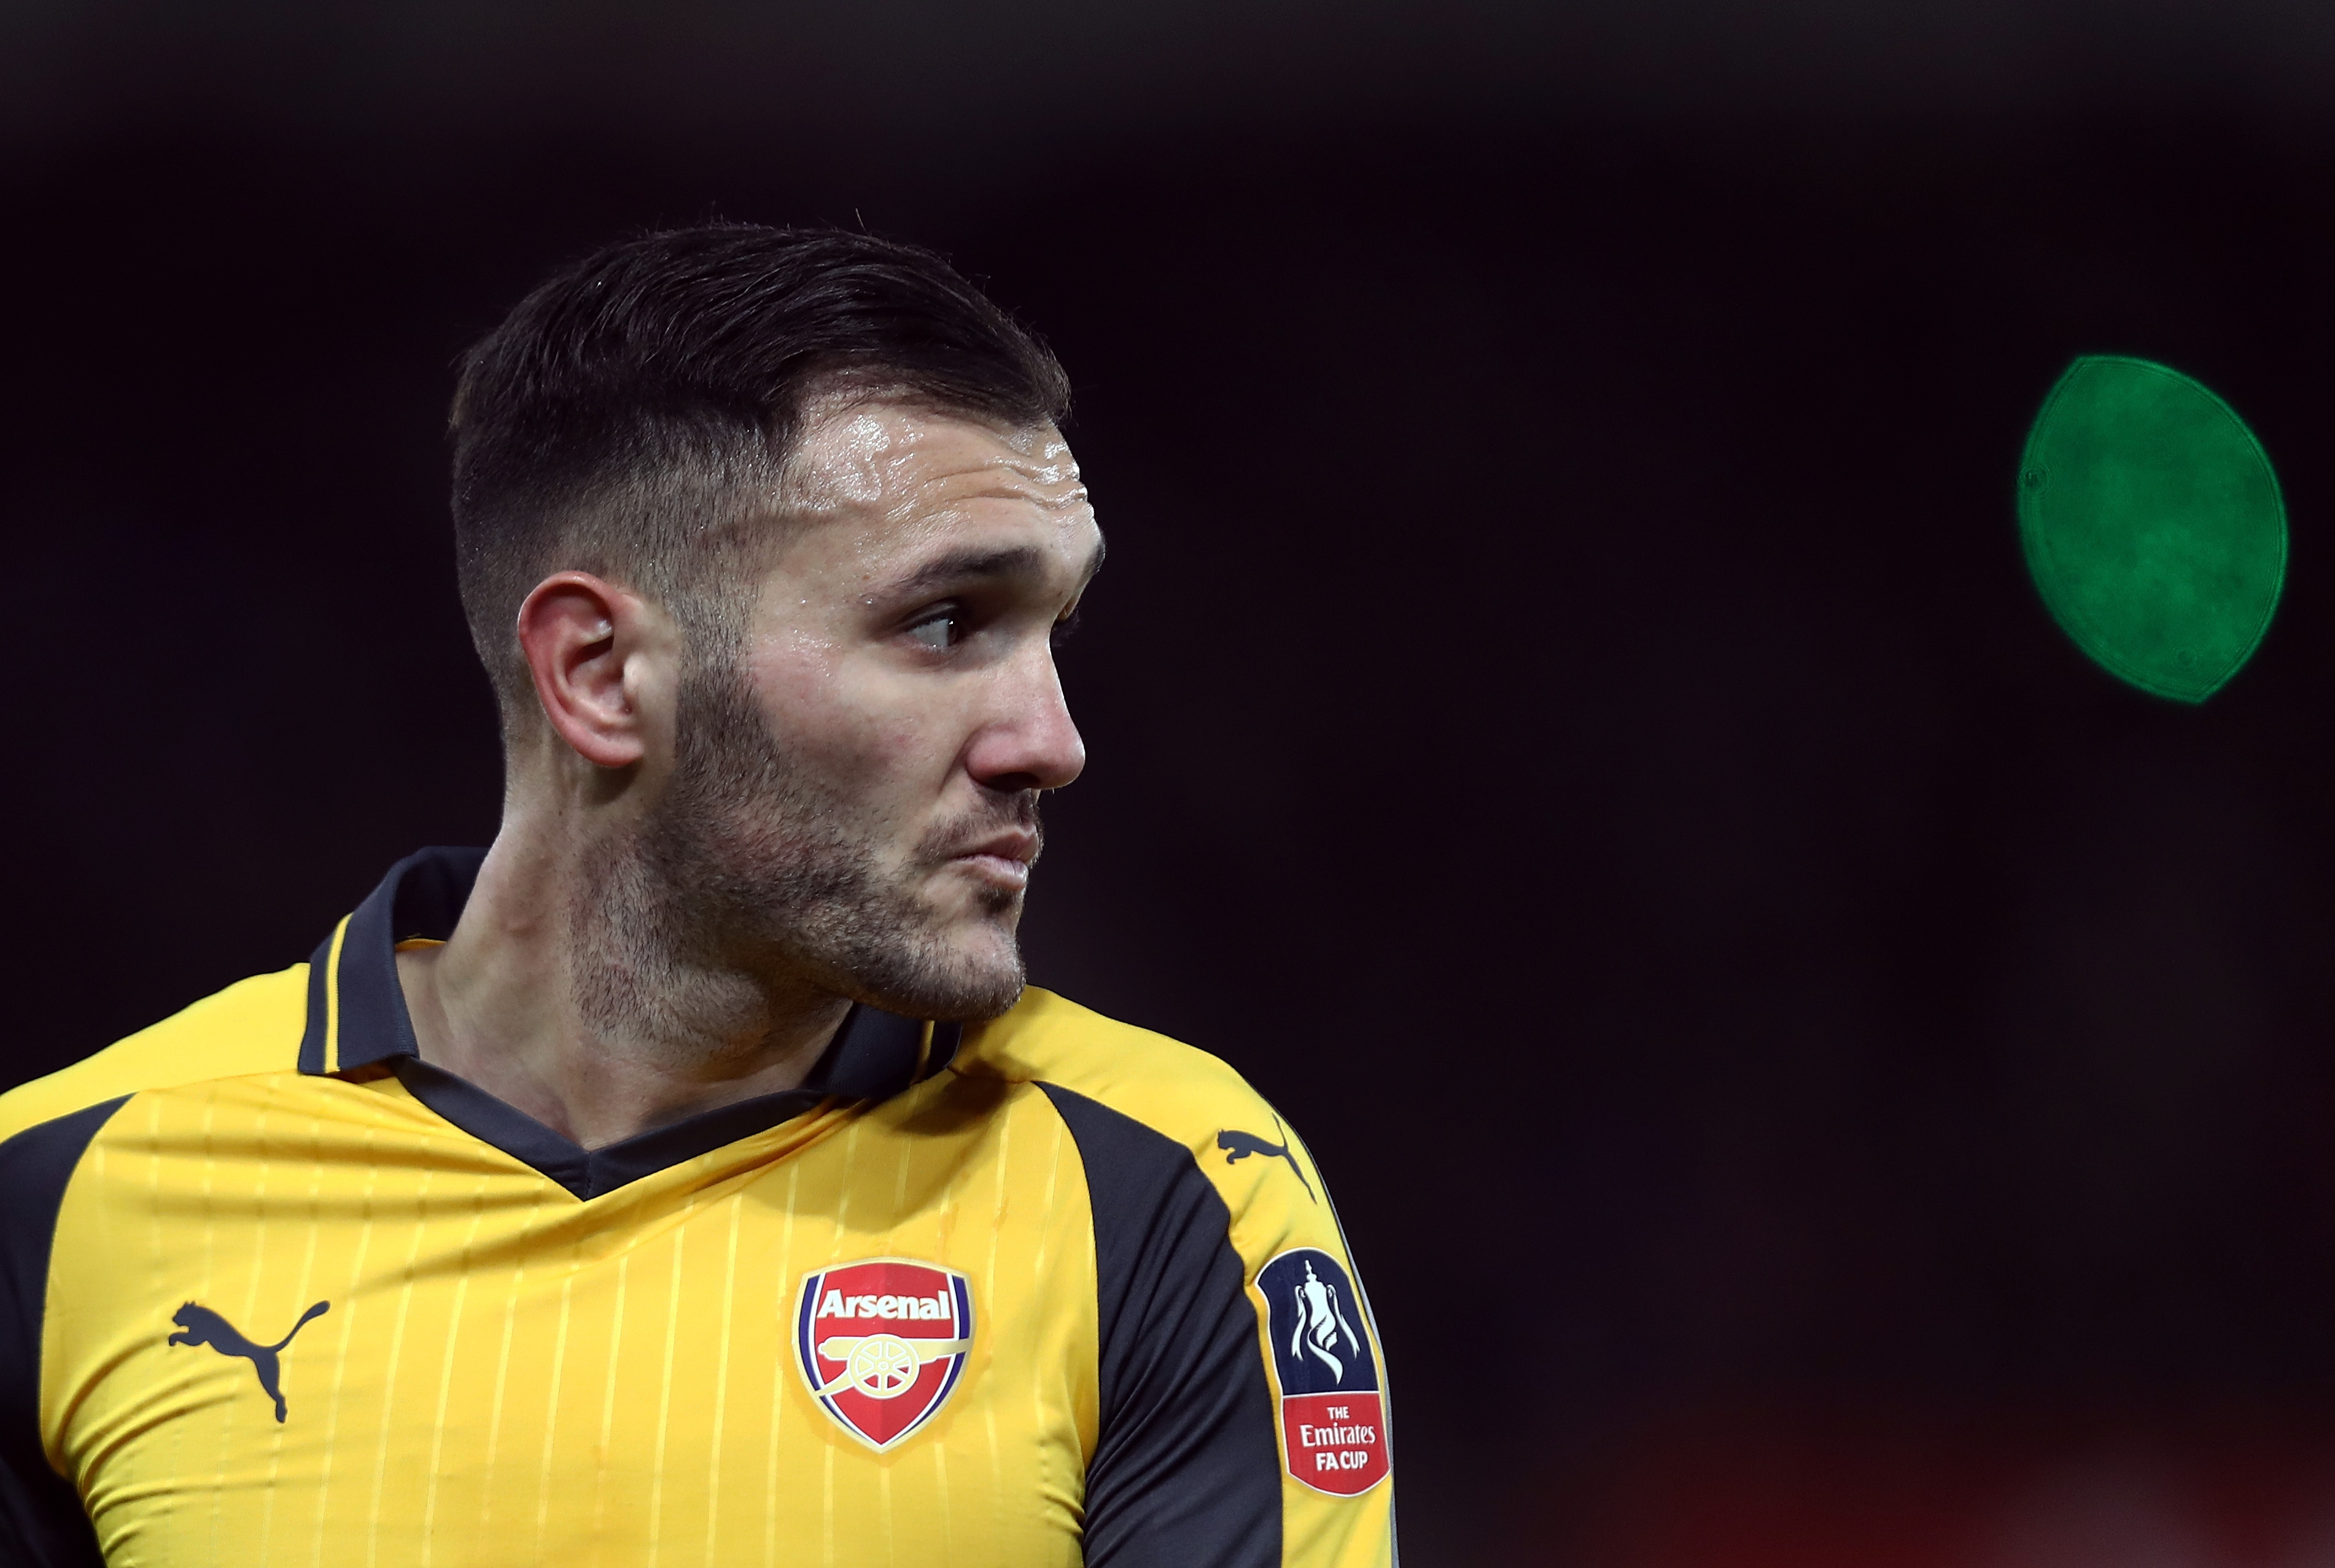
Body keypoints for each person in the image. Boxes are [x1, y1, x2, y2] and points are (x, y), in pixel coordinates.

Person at [0, 226, 1394, 1566]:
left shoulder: (1171, 1185)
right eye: (944, 622)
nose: (1051, 737)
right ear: (602, 675)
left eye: (1052, 627)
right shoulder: (57, 1194)